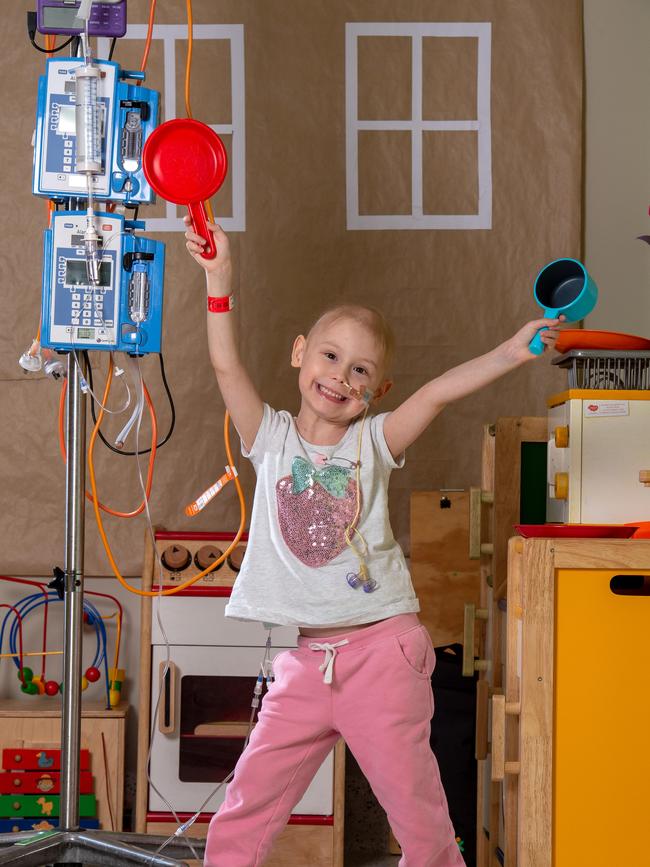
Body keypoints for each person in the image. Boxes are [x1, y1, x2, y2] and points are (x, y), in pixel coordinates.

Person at [185, 218, 561, 867]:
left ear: (376, 391)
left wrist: (509, 352)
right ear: (300, 352)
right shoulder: (271, 439)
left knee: (419, 819)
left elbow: (438, 394)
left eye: (360, 369)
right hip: (306, 663)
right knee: (245, 807)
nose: (340, 375)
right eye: (330, 355)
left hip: (383, 654)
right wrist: (220, 281)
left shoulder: (372, 443)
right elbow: (225, 363)